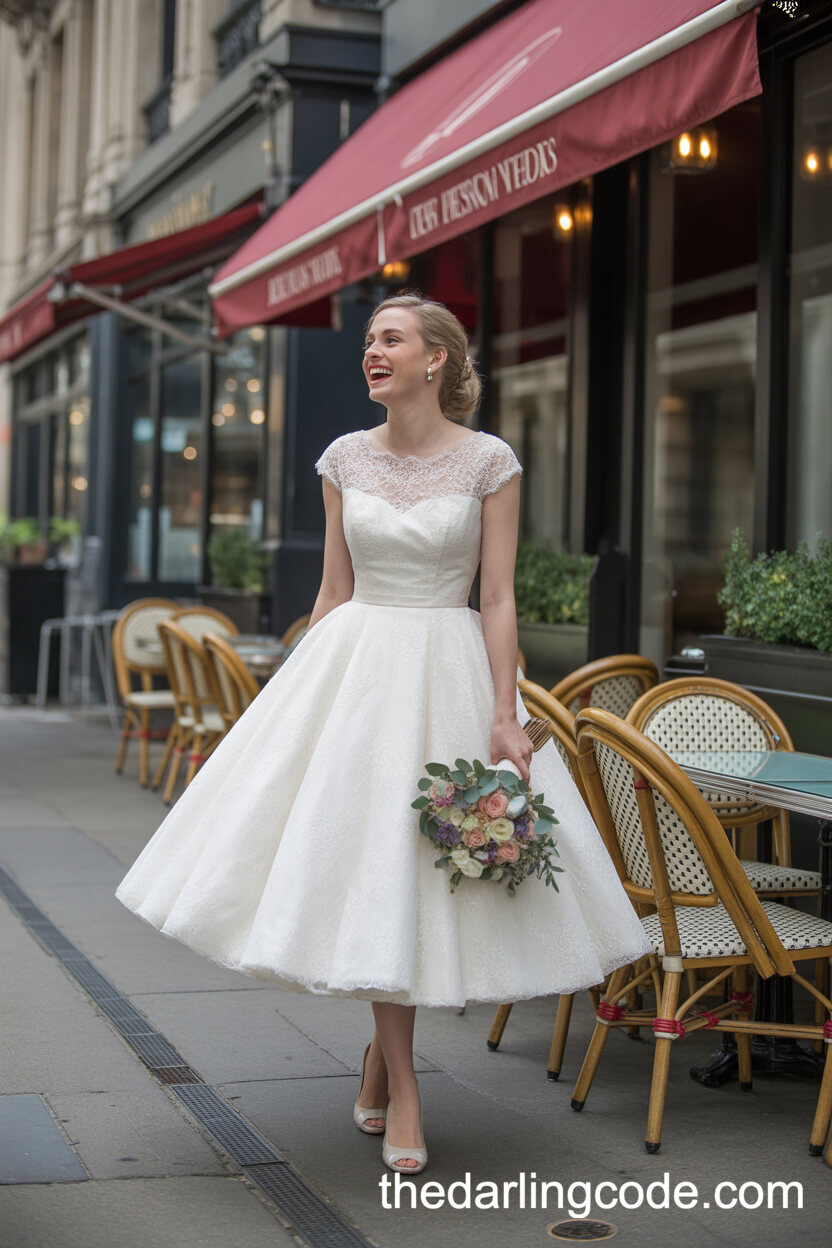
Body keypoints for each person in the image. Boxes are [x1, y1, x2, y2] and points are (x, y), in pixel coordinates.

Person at [115, 292, 651, 1176]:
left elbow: (498, 595)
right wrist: (292, 704)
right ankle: (404, 1085)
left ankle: (381, 1061)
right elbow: (334, 591)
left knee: (425, 877)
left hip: (448, 674)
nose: (372, 350)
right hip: (357, 676)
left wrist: (505, 711)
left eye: (390, 339)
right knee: (370, 871)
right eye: (369, 339)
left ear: (435, 359)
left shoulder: (490, 461)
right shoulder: (342, 458)